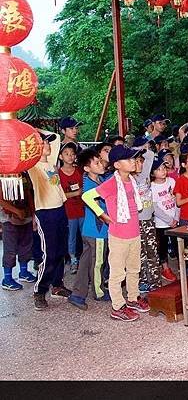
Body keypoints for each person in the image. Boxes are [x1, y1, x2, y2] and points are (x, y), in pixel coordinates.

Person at [81, 145, 150, 322]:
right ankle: (117, 306)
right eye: (128, 159)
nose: (133, 161)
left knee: (134, 269)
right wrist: (102, 214)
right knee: (118, 273)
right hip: (119, 236)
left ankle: (133, 298)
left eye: (133, 158)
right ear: (117, 164)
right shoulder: (111, 183)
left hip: (134, 233)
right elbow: (86, 197)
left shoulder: (132, 181)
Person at [28, 132, 71, 310]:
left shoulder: (50, 163)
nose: (47, 144)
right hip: (45, 213)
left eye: (47, 142)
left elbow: (57, 138)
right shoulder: (33, 166)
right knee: (49, 254)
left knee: (61, 251)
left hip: (60, 209)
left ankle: (57, 285)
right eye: (44, 142)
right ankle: (40, 291)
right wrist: (35, 138)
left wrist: (46, 136)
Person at [68, 149, 110, 310]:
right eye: (97, 162)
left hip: (90, 230)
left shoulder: (97, 180)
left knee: (86, 263)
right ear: (86, 168)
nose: (101, 164)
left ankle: (77, 294)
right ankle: (98, 292)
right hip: (97, 231)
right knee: (98, 262)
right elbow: (100, 211)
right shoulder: (91, 186)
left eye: (100, 160)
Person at [132, 142, 166, 292]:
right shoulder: (129, 180)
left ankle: (155, 280)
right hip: (136, 222)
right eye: (136, 161)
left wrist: (140, 150)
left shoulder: (145, 173)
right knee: (140, 253)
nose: (140, 163)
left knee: (153, 250)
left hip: (148, 219)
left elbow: (150, 154)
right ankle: (142, 281)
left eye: (140, 161)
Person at [0, 172, 36, 291]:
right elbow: (1, 200)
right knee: (10, 249)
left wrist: (33, 214)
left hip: (26, 216)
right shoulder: (3, 175)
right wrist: (16, 211)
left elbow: (29, 194)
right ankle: (7, 278)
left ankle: (24, 271)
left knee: (26, 246)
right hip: (9, 219)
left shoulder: (24, 174)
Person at [150, 154, 179, 283]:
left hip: (175, 219)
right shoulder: (152, 187)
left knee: (177, 244)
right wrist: (169, 220)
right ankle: (165, 268)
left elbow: (178, 200)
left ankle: (181, 265)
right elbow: (155, 208)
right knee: (162, 247)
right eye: (159, 169)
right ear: (152, 173)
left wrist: (176, 217)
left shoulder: (172, 182)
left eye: (164, 168)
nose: (163, 171)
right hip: (161, 222)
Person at [58, 142, 85, 274]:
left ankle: (86, 260)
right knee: (71, 237)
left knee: (85, 236)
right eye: (66, 154)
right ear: (60, 157)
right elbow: (59, 194)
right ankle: (73, 260)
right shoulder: (57, 174)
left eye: (72, 154)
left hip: (83, 209)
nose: (70, 156)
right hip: (68, 211)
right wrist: (75, 193)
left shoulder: (80, 171)